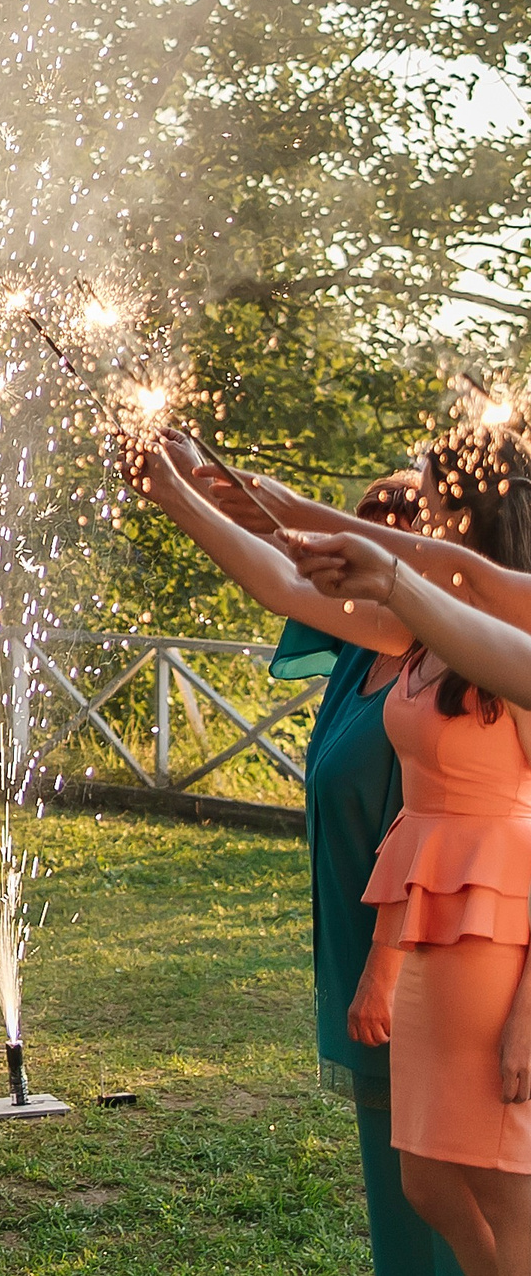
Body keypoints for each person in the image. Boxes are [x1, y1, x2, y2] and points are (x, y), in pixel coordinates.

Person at [130, 449, 459, 1273]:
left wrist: (382, 967)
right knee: (399, 1174)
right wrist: (192, 485)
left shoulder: (441, 649)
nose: (350, 562)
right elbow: (284, 562)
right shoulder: (363, 654)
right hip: (357, 925)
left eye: (381, 541)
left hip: (420, 941)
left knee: (443, 1183)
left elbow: (427, 822)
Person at [274, 435, 531, 1276]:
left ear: (465, 511)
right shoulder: (423, 626)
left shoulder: (512, 634)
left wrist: (528, 1017)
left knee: (505, 1192)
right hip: (427, 930)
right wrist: (201, 493)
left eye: (426, 500)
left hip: (495, 931)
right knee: (425, 1177)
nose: (412, 516)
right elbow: (283, 579)